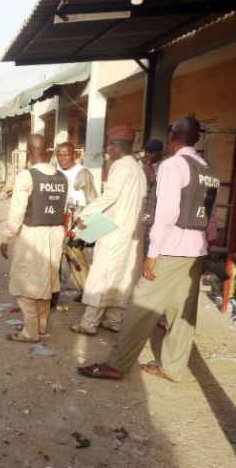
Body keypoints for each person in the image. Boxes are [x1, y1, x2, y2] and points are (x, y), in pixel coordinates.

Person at [76, 116, 219, 382]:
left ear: (173, 135)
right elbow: (210, 216)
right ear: (196, 138)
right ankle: (173, 368)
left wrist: (152, 255)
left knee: (140, 307)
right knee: (182, 312)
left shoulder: (173, 165)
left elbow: (165, 213)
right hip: (196, 251)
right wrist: (206, 244)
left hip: (171, 249)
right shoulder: (207, 168)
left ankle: (117, 364)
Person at [69, 126, 147, 336]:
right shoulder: (137, 167)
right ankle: (114, 321)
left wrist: (84, 215)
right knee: (121, 277)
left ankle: (88, 324)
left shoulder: (120, 166)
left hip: (116, 231)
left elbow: (110, 196)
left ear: (116, 146)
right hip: (132, 233)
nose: (107, 150)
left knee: (103, 276)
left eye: (109, 145)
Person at [0, 134, 67, 342]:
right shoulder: (62, 177)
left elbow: (16, 213)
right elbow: (63, 210)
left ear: (28, 153)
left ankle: (30, 333)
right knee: (45, 284)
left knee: (25, 286)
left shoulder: (26, 176)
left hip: (32, 235)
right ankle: (40, 326)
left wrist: (6, 238)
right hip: (55, 234)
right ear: (48, 150)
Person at [54, 142, 99, 304]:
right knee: (56, 256)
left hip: (77, 219)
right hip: (57, 220)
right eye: (59, 155)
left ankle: (88, 291)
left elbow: (93, 199)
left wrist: (87, 221)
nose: (62, 159)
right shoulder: (54, 172)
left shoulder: (82, 173)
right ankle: (54, 294)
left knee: (74, 255)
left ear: (73, 155)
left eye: (66, 155)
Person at [139, 138, 165, 256]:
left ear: (159, 153)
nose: (147, 154)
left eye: (151, 152)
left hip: (155, 213)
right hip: (143, 210)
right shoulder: (144, 166)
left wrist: (148, 163)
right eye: (146, 152)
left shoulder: (164, 166)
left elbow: (152, 180)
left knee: (149, 247)